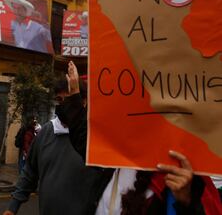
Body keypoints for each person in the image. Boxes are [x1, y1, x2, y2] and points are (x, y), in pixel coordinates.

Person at [60, 61, 222, 214]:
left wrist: (187, 201)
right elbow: (84, 141)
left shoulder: (178, 176)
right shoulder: (114, 157)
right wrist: (74, 96)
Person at [2, 79, 101, 215]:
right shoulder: (45, 133)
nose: (63, 105)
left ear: (83, 102)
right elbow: (30, 172)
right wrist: (12, 207)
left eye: (68, 99)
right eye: (59, 100)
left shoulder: (96, 138)